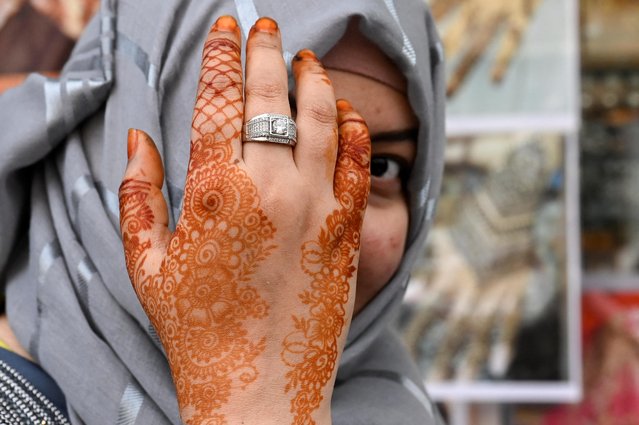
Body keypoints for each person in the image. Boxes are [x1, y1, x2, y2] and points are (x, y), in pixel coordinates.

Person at [0, 0, 445, 424]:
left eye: (382, 165)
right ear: (115, 146)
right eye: (268, 143)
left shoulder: (398, 404)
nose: (322, 217)